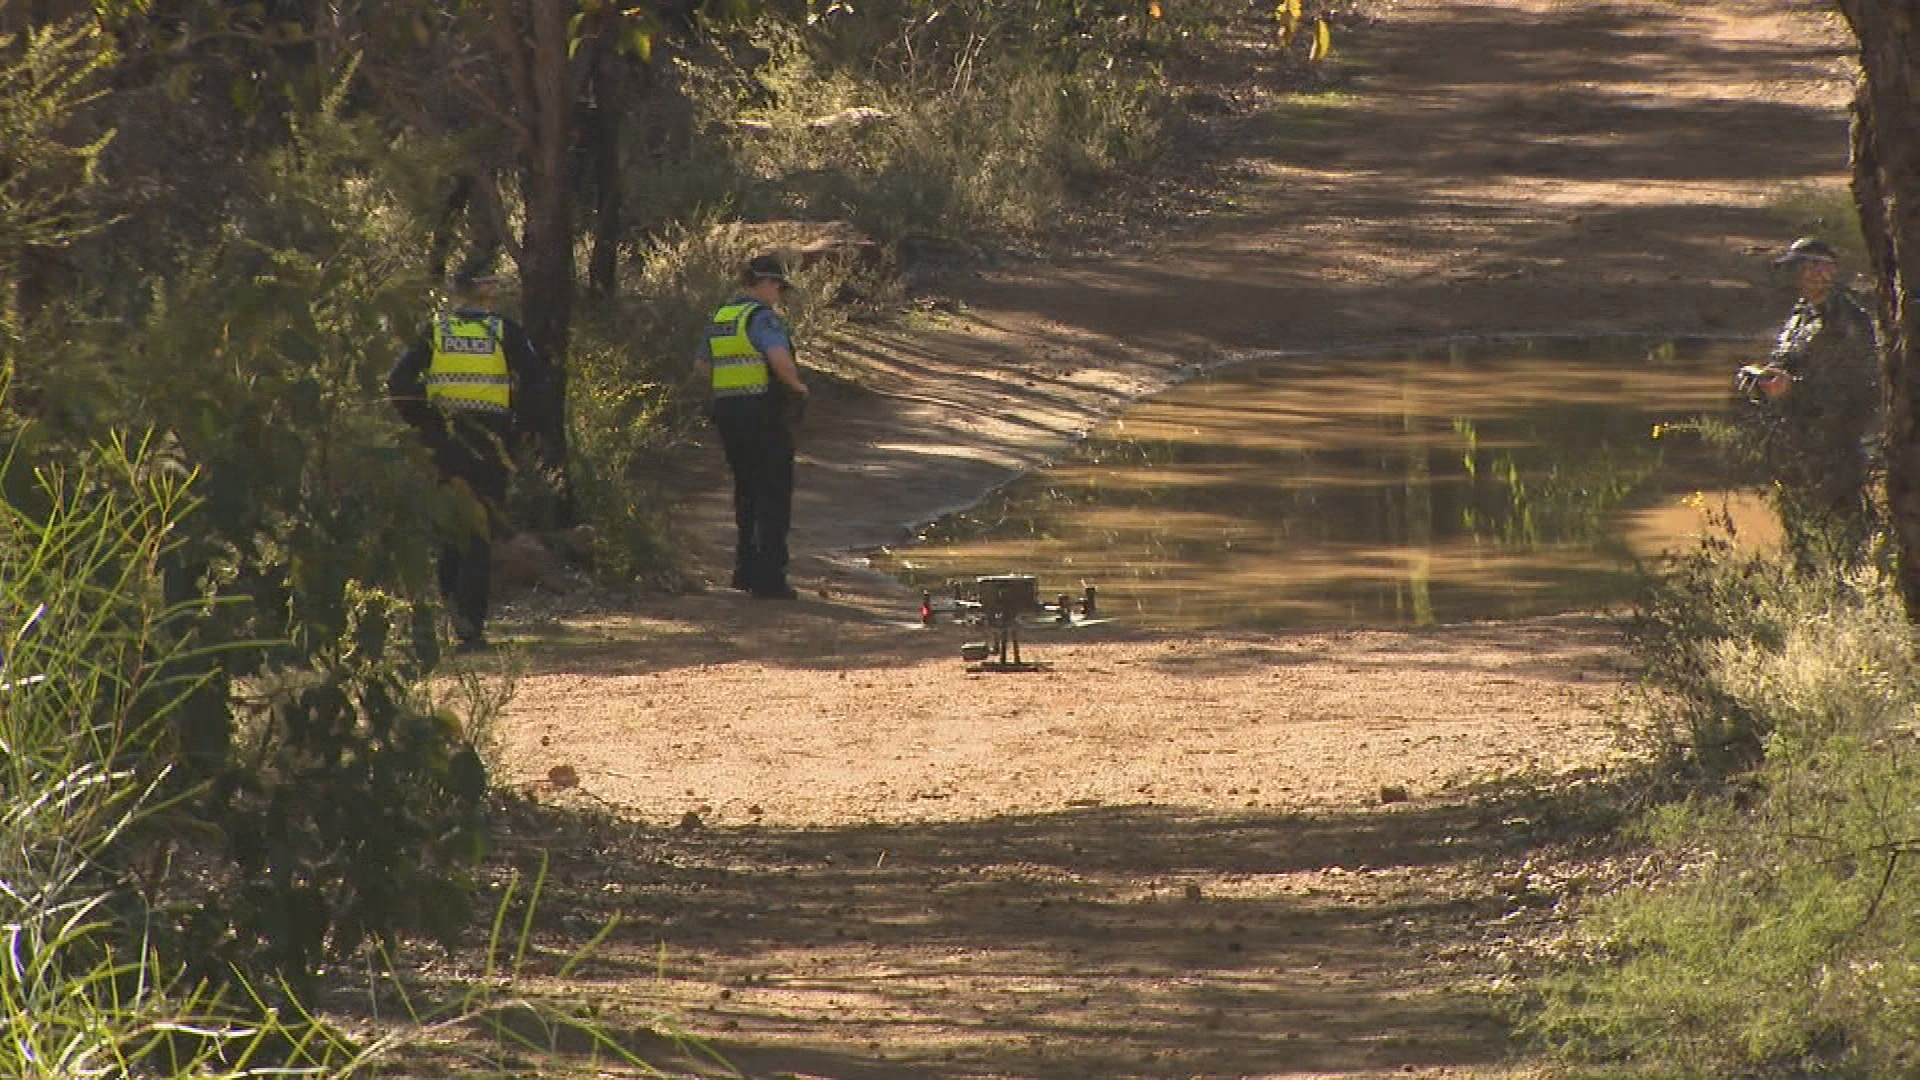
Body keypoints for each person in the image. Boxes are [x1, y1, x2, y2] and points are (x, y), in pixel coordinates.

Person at [388, 256, 556, 651]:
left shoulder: (435, 330)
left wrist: (422, 422)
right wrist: (517, 426)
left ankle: (450, 617)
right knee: (479, 531)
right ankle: (471, 629)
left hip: (443, 439)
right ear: (486, 289)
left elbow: (397, 380)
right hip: (488, 439)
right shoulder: (503, 332)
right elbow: (536, 382)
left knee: (450, 529)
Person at [1732, 236, 1882, 556]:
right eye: (1800, 267)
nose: (1805, 274)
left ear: (1829, 271)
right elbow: (1789, 361)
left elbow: (1857, 385)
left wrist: (1794, 388)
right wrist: (1766, 377)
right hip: (1797, 437)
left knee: (1843, 527)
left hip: (1834, 441)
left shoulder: (1848, 321)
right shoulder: (1801, 314)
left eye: (1814, 266)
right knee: (1799, 524)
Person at [695, 253, 810, 599]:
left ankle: (744, 571)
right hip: (762, 413)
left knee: (745, 492)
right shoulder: (762, 319)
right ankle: (769, 578)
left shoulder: (722, 317)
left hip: (728, 412)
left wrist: (729, 385)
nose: (779, 293)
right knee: (773, 493)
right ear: (763, 283)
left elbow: (701, 365)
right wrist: (798, 387)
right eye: (777, 285)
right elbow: (778, 359)